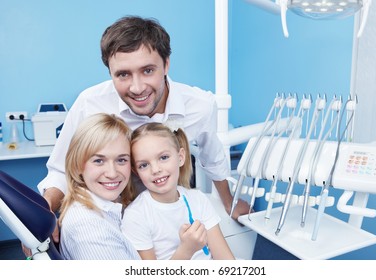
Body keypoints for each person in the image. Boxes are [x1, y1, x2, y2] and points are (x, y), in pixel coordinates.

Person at [37, 15, 250, 244]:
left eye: (148, 70)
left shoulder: (200, 106)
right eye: (123, 74)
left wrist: (229, 202)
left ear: (166, 64)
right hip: (106, 216)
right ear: (110, 72)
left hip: (161, 215)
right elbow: (60, 170)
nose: (137, 88)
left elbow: (213, 158)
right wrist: (43, 213)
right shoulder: (90, 103)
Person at [122, 122, 235, 260]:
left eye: (163, 157)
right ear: (136, 171)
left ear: (181, 157)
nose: (156, 169)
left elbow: (226, 260)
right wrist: (186, 249)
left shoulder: (198, 200)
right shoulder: (136, 216)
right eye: (144, 165)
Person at [58, 113, 140, 260]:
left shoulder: (111, 204)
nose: (112, 173)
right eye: (98, 161)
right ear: (77, 166)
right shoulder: (89, 229)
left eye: (121, 160)